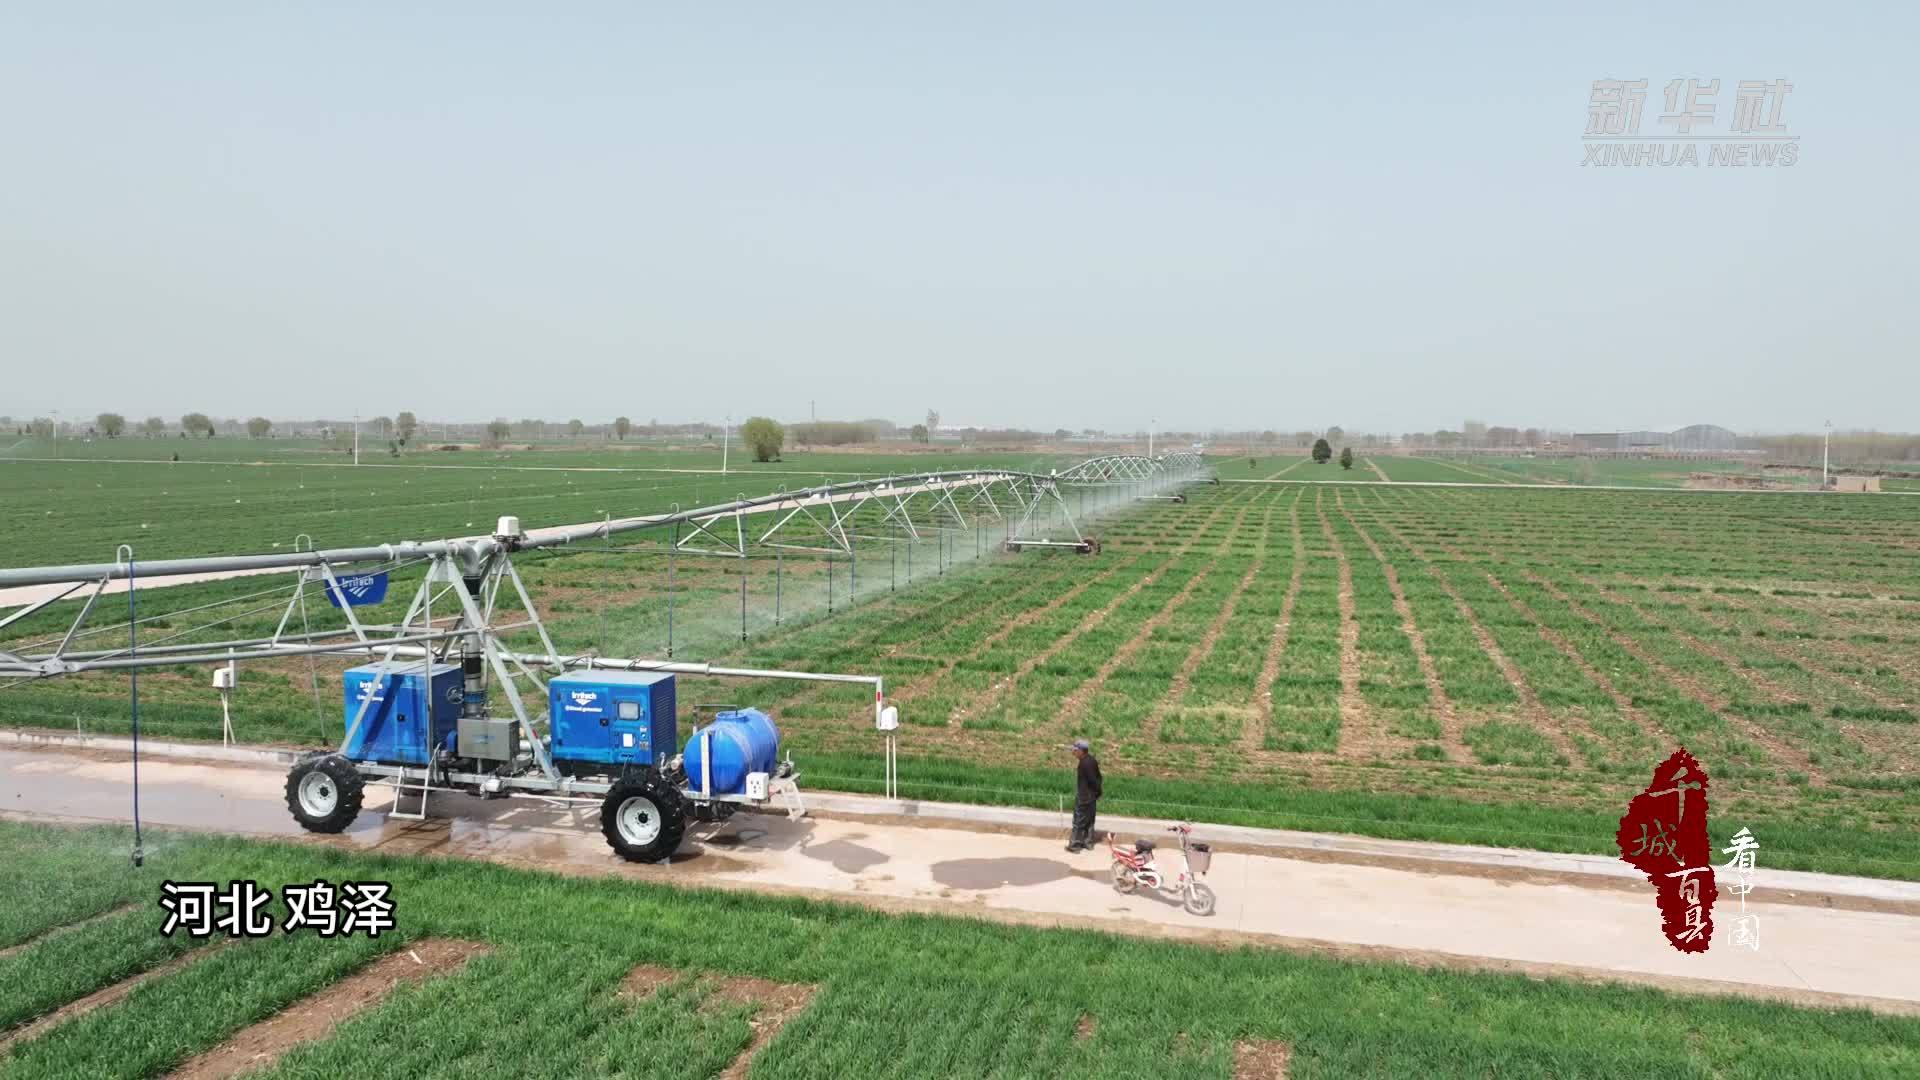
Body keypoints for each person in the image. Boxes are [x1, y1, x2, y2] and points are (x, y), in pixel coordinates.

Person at [1066, 739, 1102, 852]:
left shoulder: (1084, 763)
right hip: (1092, 797)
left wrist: (1097, 790)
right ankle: (1088, 843)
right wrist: (1097, 792)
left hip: (1083, 796)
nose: (1073, 753)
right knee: (1090, 820)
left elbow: (1092, 780)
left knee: (1078, 821)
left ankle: (1074, 845)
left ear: (1082, 751)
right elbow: (1099, 777)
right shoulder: (1092, 760)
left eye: (1075, 750)